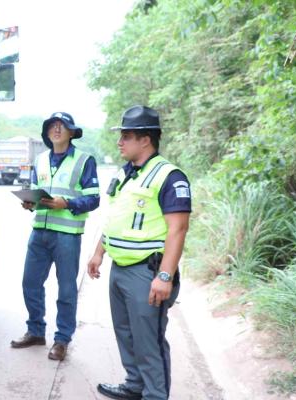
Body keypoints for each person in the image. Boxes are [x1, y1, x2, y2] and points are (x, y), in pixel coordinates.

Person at [87, 105, 191, 400]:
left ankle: (154, 395)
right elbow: (116, 219)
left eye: (126, 136)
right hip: (120, 269)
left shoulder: (170, 176)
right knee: (126, 332)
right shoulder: (126, 174)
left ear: (145, 140)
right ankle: (135, 386)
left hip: (147, 272)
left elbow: (178, 229)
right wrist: (98, 253)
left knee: (149, 341)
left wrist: (165, 276)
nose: (119, 142)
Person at [10, 112, 100, 361]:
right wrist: (29, 203)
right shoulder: (39, 160)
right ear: (47, 132)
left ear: (71, 133)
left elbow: (94, 199)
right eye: (52, 126)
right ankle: (36, 331)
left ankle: (62, 340)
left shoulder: (84, 160)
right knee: (30, 283)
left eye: (62, 126)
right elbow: (36, 191)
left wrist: (67, 203)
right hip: (39, 231)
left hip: (67, 236)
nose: (57, 129)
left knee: (67, 289)